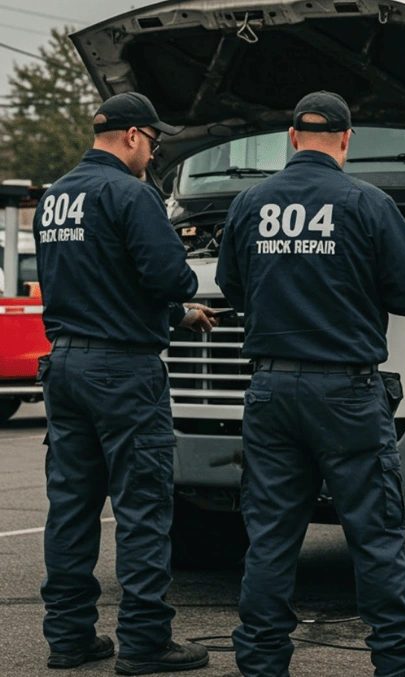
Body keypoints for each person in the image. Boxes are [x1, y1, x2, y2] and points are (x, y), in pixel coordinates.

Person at [216, 91, 405, 677]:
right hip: (346, 394)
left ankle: (261, 662)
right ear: (346, 140)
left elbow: (233, 287)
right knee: (374, 533)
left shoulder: (249, 203)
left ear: (292, 137)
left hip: (270, 391)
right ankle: (399, 663)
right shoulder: (368, 202)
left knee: (270, 536)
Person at [33, 91, 214, 674]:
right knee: (142, 508)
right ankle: (144, 641)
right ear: (133, 136)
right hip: (122, 374)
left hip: (65, 366)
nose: (153, 154)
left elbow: (94, 279)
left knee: (71, 507)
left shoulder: (55, 197)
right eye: (153, 143)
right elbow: (169, 276)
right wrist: (183, 293)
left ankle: (68, 638)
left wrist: (174, 318)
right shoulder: (132, 194)